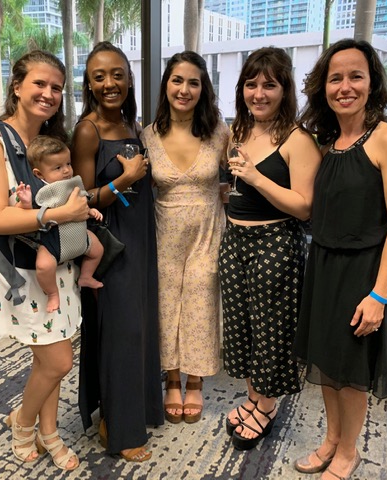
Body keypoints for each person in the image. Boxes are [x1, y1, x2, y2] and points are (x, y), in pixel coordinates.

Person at [293, 39, 387, 479]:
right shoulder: (329, 143)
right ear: (324, 86)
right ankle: (331, 440)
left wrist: (379, 295)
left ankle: (349, 451)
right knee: (327, 362)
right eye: (335, 77)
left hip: (363, 272)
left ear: (372, 82)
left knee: (352, 371)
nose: (345, 86)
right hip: (322, 266)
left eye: (355, 76)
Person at [0, 50, 89, 471]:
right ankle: (23, 423)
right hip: (19, 267)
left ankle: (49, 431)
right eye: (39, 83)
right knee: (59, 360)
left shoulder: (46, 144)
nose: (49, 93)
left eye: (57, 87)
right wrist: (62, 214)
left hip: (56, 263)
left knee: (47, 358)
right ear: (16, 86)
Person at [219, 47, 322, 450]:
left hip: (275, 243)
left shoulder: (298, 139)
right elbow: (235, 187)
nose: (258, 93)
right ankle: (252, 397)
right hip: (235, 240)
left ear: (284, 90)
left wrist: (258, 178)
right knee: (241, 326)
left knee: (270, 330)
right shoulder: (238, 131)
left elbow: (304, 206)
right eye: (251, 84)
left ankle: (267, 405)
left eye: (269, 85)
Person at [70, 41, 163, 462]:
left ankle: (128, 409)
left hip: (142, 240)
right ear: (89, 84)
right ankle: (120, 428)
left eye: (117, 74)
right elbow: (81, 199)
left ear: (129, 78)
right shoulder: (87, 130)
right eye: (99, 76)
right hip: (111, 245)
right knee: (120, 332)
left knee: (139, 328)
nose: (110, 83)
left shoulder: (133, 124)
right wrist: (122, 183)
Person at [140, 51, 229, 425]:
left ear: (203, 88)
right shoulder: (147, 134)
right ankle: (171, 378)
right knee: (166, 304)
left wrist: (226, 189)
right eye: (177, 80)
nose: (185, 89)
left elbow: (243, 171)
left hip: (209, 230)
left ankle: (195, 380)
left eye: (193, 82)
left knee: (201, 301)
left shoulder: (219, 131)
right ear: (166, 85)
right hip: (164, 232)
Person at [16, 135, 105, 313]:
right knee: (43, 266)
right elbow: (30, 214)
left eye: (68, 164)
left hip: (80, 235)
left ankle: (86, 276)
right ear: (39, 174)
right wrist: (25, 202)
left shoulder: (73, 184)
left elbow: (82, 203)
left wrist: (90, 211)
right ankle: (52, 293)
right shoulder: (40, 191)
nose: (66, 171)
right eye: (58, 167)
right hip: (53, 241)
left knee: (98, 250)